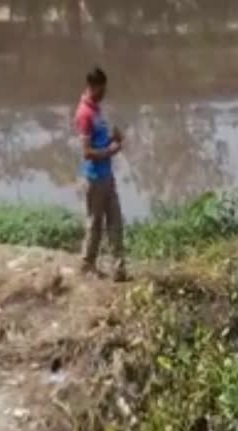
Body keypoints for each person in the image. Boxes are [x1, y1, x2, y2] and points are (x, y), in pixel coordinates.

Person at [74, 66, 128, 281]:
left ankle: (119, 268)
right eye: (102, 89)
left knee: (116, 221)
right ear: (93, 87)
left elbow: (101, 142)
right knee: (95, 224)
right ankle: (87, 264)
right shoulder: (84, 114)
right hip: (94, 178)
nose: (104, 93)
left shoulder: (96, 109)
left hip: (107, 176)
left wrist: (116, 139)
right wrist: (110, 150)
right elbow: (87, 152)